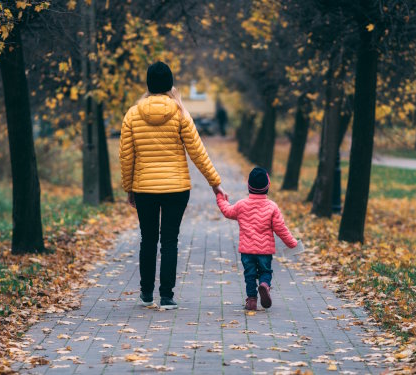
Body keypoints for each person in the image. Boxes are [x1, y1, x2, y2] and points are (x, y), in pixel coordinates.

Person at [119, 61, 228, 310]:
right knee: (169, 241)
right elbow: (198, 152)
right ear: (170, 84)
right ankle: (166, 296)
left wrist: (129, 188)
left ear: (148, 84)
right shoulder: (180, 113)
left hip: (144, 188)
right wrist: (215, 183)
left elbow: (126, 156)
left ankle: (146, 294)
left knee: (147, 239)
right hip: (176, 189)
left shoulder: (132, 115)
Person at [216, 167, 299, 310]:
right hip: (265, 251)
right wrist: (292, 243)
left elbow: (227, 211)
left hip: (247, 251)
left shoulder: (241, 205)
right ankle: (265, 285)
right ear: (268, 186)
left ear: (249, 186)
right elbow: (281, 229)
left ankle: (252, 300)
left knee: (249, 275)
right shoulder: (272, 207)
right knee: (265, 272)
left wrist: (219, 197)